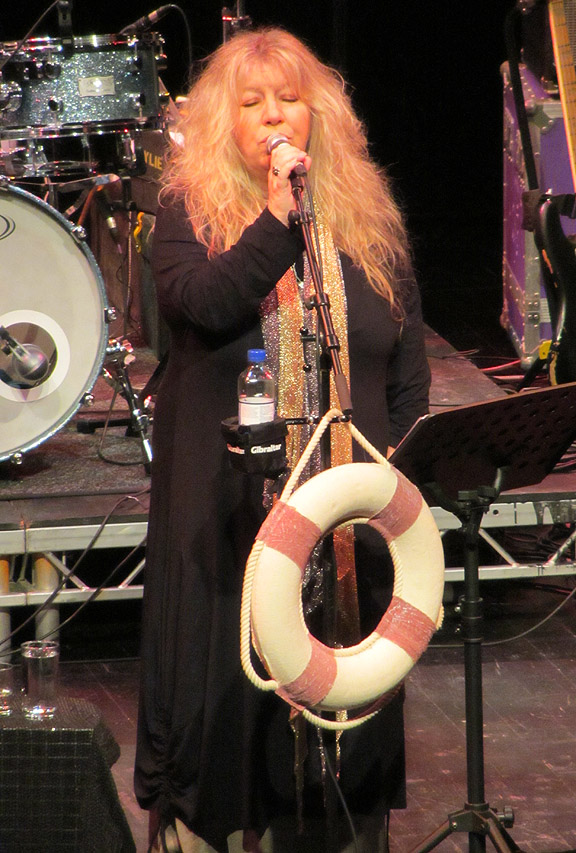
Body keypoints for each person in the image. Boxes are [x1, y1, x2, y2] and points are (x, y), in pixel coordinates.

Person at [134, 26, 432, 853]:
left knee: (348, 746)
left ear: (319, 115)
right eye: (252, 103)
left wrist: (398, 488)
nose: (273, 117)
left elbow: (405, 367)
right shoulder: (186, 213)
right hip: (233, 522)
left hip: (351, 524)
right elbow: (205, 304)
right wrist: (275, 220)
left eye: (289, 99)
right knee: (232, 730)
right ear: (221, 122)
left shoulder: (368, 220)